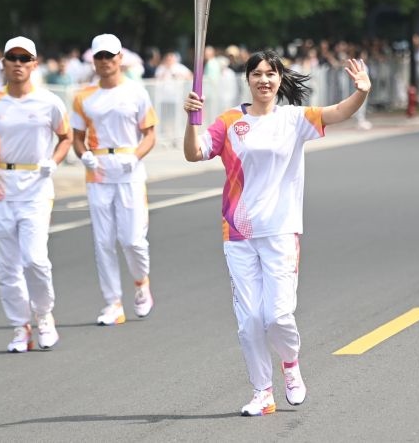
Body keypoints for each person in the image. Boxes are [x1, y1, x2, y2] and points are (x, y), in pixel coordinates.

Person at [182, 50, 371, 416]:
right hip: (238, 233)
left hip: (281, 231)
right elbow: (194, 153)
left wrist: (361, 91)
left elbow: (339, 111)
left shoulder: (294, 119)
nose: (264, 80)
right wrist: (192, 120)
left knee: (278, 316)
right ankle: (262, 392)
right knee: (250, 320)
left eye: (271, 73)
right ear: (248, 80)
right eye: (257, 73)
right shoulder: (229, 122)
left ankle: (290, 363)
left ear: (280, 79)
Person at [0, 36, 72, 352]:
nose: (18, 63)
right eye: (12, 58)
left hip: (36, 187)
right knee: (8, 266)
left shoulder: (49, 102)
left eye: (24, 58)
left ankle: (44, 314)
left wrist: (53, 161)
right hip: (1, 188)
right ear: (3, 63)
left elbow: (66, 137)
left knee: (35, 259)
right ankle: (20, 326)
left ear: (34, 64)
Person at [71, 34, 158, 326]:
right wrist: (84, 155)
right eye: (100, 56)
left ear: (120, 58)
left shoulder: (136, 92)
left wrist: (135, 156)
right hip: (98, 172)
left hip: (129, 170)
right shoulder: (83, 96)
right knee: (104, 241)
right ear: (93, 60)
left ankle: (141, 283)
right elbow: (77, 138)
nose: (105, 61)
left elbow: (150, 134)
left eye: (110, 55)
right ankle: (113, 303)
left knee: (132, 240)